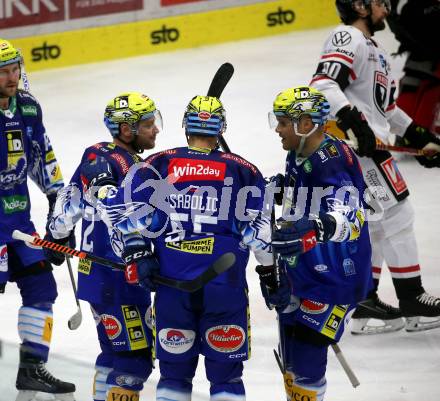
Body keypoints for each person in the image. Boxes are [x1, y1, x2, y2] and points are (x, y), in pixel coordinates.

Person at [81, 95, 283, 401]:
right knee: (226, 377)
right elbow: (261, 236)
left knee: (174, 375)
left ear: (186, 127)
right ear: (221, 129)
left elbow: (122, 216)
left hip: (172, 288)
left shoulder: (158, 163)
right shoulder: (244, 170)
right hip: (224, 287)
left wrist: (138, 252)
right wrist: (270, 275)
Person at [310, 0, 440, 334]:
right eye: (380, 3)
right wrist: (355, 123)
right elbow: (323, 84)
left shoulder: (374, 48)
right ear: (360, 5)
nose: (386, 9)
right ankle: (412, 301)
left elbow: (386, 109)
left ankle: (364, 305)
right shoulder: (347, 37)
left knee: (377, 224)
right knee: (398, 215)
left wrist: (418, 134)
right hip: (361, 153)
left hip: (372, 149)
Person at [46, 92, 162, 401]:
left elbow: (69, 199)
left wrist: (57, 234)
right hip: (116, 276)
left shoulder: (105, 156)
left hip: (100, 274)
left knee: (114, 353)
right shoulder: (116, 161)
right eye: (149, 124)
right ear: (127, 130)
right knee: (134, 360)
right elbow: (113, 209)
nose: (156, 130)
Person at [265, 86, 372, 401]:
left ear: (306, 123)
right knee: (292, 356)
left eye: (284, 121)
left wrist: (317, 225)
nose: (277, 128)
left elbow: (352, 218)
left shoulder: (332, 161)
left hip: (335, 276)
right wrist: (280, 188)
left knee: (308, 355)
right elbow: (304, 195)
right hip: (304, 269)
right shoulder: (298, 152)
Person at [0, 38, 76, 400]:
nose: (12, 77)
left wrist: (57, 215)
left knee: (42, 288)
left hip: (18, 221)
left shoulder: (28, 108)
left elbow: (43, 159)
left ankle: (31, 369)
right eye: (3, 71)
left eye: (15, 68)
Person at [387, 0, 440, 136]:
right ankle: (416, 134)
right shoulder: (410, 9)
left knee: (416, 80)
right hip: (423, 51)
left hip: (419, 52)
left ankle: (409, 134)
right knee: (424, 82)